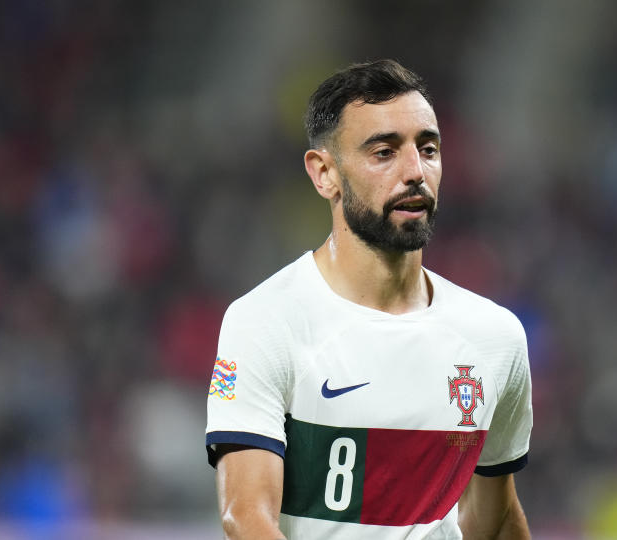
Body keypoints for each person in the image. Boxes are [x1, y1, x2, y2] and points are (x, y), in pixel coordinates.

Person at [205, 59, 532, 539]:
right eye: (384, 152)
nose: (415, 171)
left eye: (429, 149)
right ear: (325, 175)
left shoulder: (494, 337)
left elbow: (496, 516)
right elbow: (247, 517)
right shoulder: (264, 322)